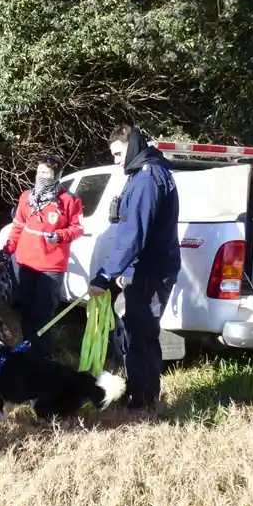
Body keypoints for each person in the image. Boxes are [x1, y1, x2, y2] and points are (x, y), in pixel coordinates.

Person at [87, 125, 181, 412]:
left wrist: (105, 276)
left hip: (151, 271)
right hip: (145, 269)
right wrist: (121, 273)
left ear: (132, 145)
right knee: (137, 331)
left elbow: (133, 236)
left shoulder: (147, 180)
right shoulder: (151, 173)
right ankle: (139, 391)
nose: (116, 160)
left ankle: (144, 399)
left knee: (142, 335)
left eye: (118, 153)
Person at [1, 156, 83, 357]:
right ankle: (27, 348)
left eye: (46, 173)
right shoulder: (26, 197)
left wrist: (60, 235)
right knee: (26, 309)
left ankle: (43, 354)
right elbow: (18, 226)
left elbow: (77, 228)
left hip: (52, 266)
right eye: (39, 172)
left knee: (44, 312)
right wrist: (8, 248)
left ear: (57, 175)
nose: (41, 177)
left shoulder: (69, 200)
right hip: (26, 263)